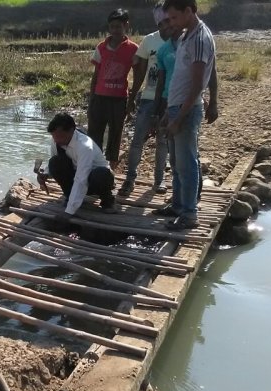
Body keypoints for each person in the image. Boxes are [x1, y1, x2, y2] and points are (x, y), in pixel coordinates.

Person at [156, 0, 218, 230]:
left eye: (174, 17)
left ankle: (190, 214)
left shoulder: (200, 38)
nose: (171, 23)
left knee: (186, 163)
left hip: (187, 109)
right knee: (176, 162)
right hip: (176, 107)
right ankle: (178, 205)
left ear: (189, 11)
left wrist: (179, 118)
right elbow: (179, 77)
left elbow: (197, 84)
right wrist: (168, 112)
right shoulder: (186, 36)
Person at [118, 6, 169, 197]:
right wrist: (132, 98)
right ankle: (130, 178)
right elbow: (140, 73)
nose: (165, 26)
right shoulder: (149, 40)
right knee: (137, 140)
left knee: (162, 141)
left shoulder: (179, 40)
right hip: (148, 98)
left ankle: (159, 180)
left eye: (168, 21)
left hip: (169, 99)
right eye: (161, 23)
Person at [87, 8, 139, 171]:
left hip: (119, 99)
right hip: (99, 97)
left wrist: (132, 100)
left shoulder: (133, 49)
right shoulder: (101, 47)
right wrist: (92, 98)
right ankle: (94, 167)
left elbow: (138, 75)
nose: (115, 30)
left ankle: (111, 170)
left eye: (119, 26)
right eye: (112, 27)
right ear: (108, 27)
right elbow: (96, 75)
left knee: (115, 134)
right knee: (94, 133)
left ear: (126, 26)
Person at [37, 113, 117, 219]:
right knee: (54, 162)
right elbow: (54, 160)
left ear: (71, 131)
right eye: (54, 136)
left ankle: (107, 200)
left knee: (100, 175)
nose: (56, 140)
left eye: (59, 136)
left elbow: (81, 178)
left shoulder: (85, 146)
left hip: (96, 180)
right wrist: (46, 174)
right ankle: (70, 195)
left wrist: (69, 212)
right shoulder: (57, 139)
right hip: (76, 175)